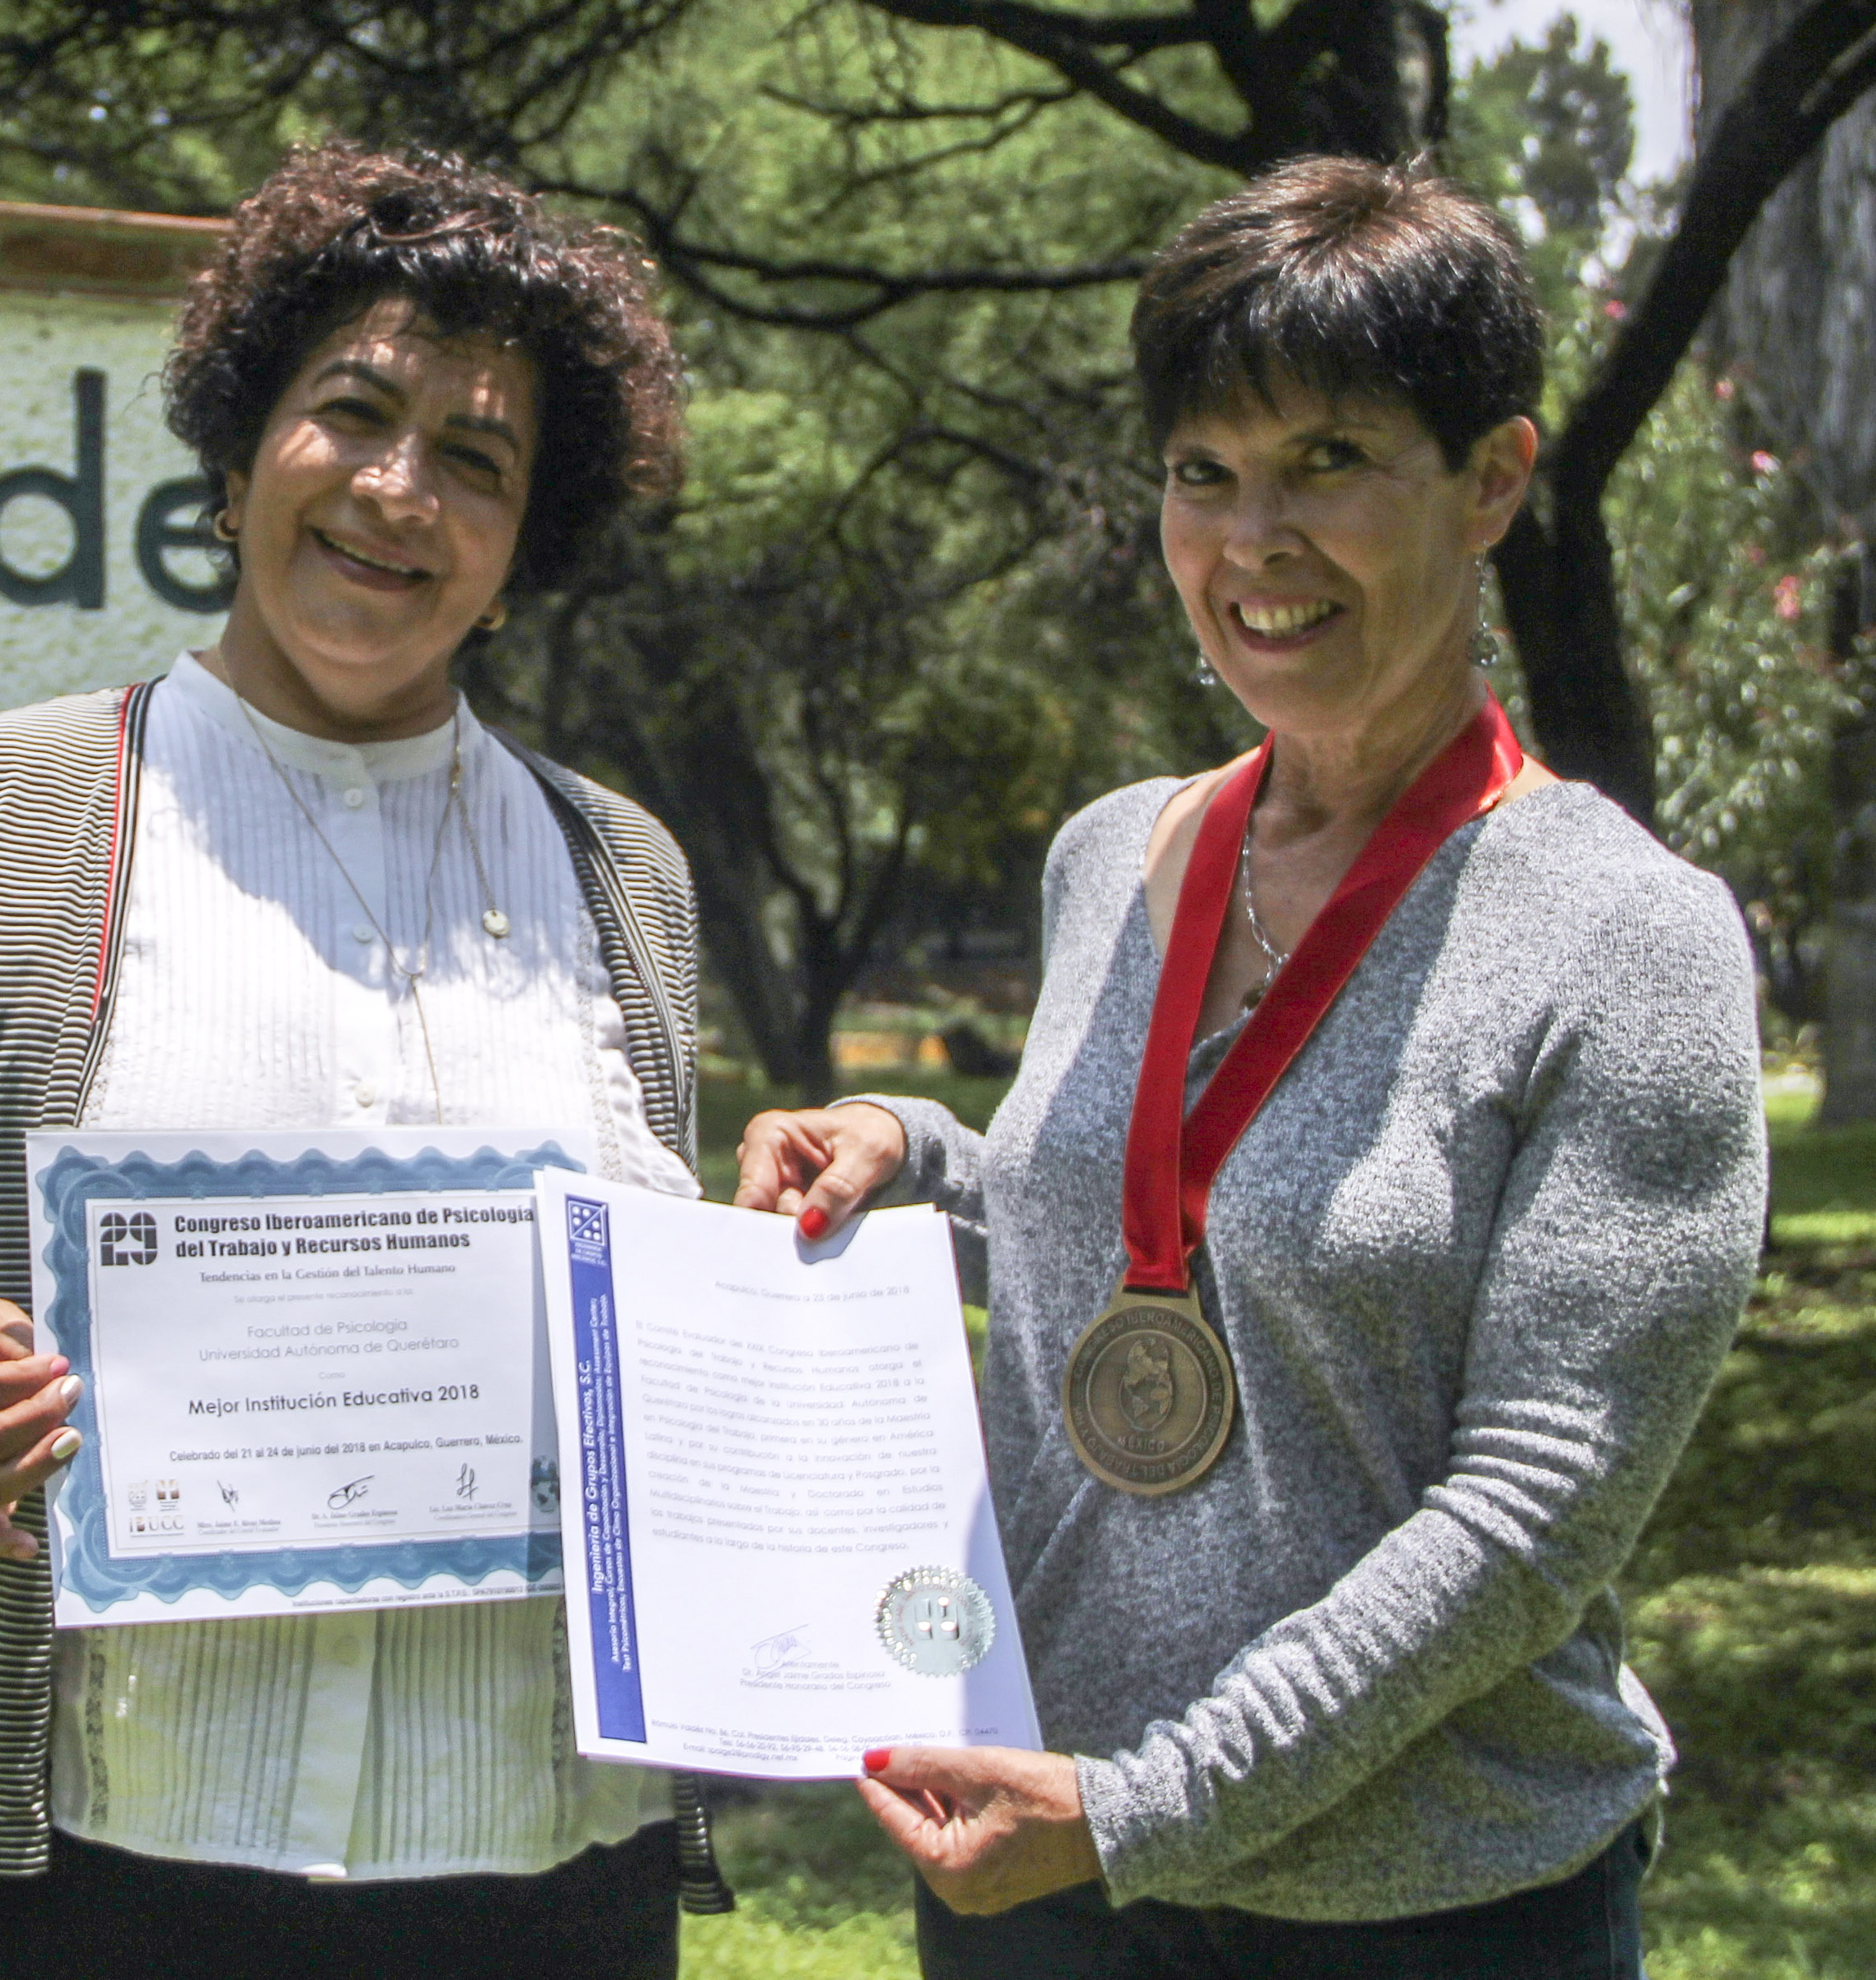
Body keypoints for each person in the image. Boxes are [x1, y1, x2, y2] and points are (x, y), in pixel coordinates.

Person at [0, 143, 727, 1978]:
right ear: (245, 450)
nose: (398, 492)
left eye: (475, 463)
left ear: (518, 552)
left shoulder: (615, 868)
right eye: (354, 413)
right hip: (108, 1853)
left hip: (548, 1858)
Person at [738, 158, 1764, 1976]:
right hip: (1031, 1857)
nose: (1248, 544)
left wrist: (1149, 1809)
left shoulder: (1630, 940)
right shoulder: (1109, 854)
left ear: (1495, 482)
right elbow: (1138, 1236)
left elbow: (1531, 1516)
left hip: (1425, 1907)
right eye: (1201, 476)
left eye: (1326, 465)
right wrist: (909, 1149)